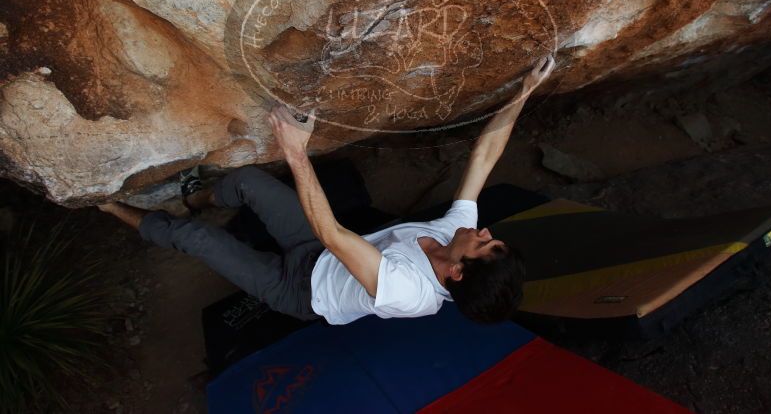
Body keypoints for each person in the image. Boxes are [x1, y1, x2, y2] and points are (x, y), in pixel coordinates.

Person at [99, 55, 555, 325]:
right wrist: (525, 93)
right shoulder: (458, 233)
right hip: (317, 248)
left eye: (485, 243)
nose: (483, 230)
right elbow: (484, 156)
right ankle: (196, 197)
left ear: (457, 273)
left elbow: (336, 235)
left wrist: (297, 152)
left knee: (195, 239)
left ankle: (110, 208)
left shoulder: (409, 292)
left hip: (300, 290)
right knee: (246, 182)